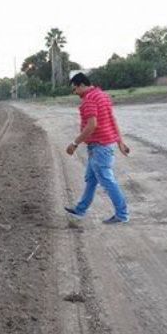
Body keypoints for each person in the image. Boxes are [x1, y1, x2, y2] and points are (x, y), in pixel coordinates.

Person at [64, 73, 130, 224]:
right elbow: (112, 119)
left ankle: (122, 214)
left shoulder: (89, 99)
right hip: (103, 146)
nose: (74, 93)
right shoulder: (102, 95)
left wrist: (74, 143)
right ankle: (80, 210)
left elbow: (92, 125)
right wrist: (120, 142)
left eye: (75, 89)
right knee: (91, 179)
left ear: (82, 85)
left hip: (99, 148)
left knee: (108, 181)